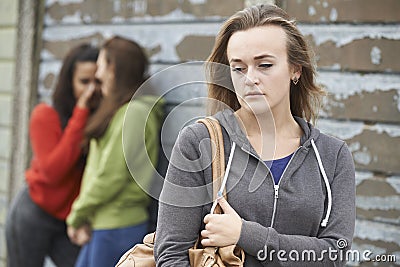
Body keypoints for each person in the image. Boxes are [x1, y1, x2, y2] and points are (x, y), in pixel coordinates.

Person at [154, 4, 355, 266]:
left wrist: (245, 234)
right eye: (238, 68)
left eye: (265, 65)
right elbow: (170, 255)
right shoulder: (199, 142)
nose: (250, 78)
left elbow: (335, 253)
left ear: (295, 69)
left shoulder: (332, 155)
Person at [66, 36, 164, 267]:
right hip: (103, 225)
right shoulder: (120, 110)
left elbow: (112, 176)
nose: (97, 75)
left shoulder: (135, 114)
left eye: (101, 65)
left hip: (118, 227)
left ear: (113, 69)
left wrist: (77, 215)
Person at [5, 43, 101, 267]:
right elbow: (52, 173)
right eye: (84, 82)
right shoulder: (44, 115)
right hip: (33, 215)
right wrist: (81, 112)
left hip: (68, 222)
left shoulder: (101, 122)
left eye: (98, 81)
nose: (92, 89)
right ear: (69, 84)